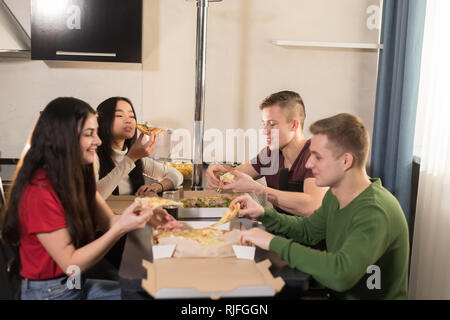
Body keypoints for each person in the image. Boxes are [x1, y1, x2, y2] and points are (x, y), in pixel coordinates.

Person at [0, 97, 181, 300]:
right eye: (89, 134)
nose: (98, 140)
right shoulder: (39, 191)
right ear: (64, 138)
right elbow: (70, 264)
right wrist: (122, 227)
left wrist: (146, 215)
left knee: (148, 293)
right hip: (49, 293)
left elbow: (110, 221)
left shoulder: (77, 175)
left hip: (75, 283)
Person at [232, 113, 409, 300]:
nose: (309, 163)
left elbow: (340, 274)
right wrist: (263, 214)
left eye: (317, 157)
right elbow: (308, 230)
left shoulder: (374, 211)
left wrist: (271, 242)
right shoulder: (335, 195)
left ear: (346, 161)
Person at [206, 90, 327, 217]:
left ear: (294, 125)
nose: (265, 131)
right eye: (264, 124)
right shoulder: (271, 154)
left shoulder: (315, 155)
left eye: (272, 124)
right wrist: (217, 172)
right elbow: (236, 175)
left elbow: (312, 206)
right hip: (280, 231)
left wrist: (256, 188)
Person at [95, 97, 183, 200]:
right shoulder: (93, 157)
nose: (128, 120)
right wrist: (131, 158)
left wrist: (157, 187)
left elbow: (177, 175)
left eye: (132, 116)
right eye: (119, 115)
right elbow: (95, 195)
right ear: (102, 121)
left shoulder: (138, 159)